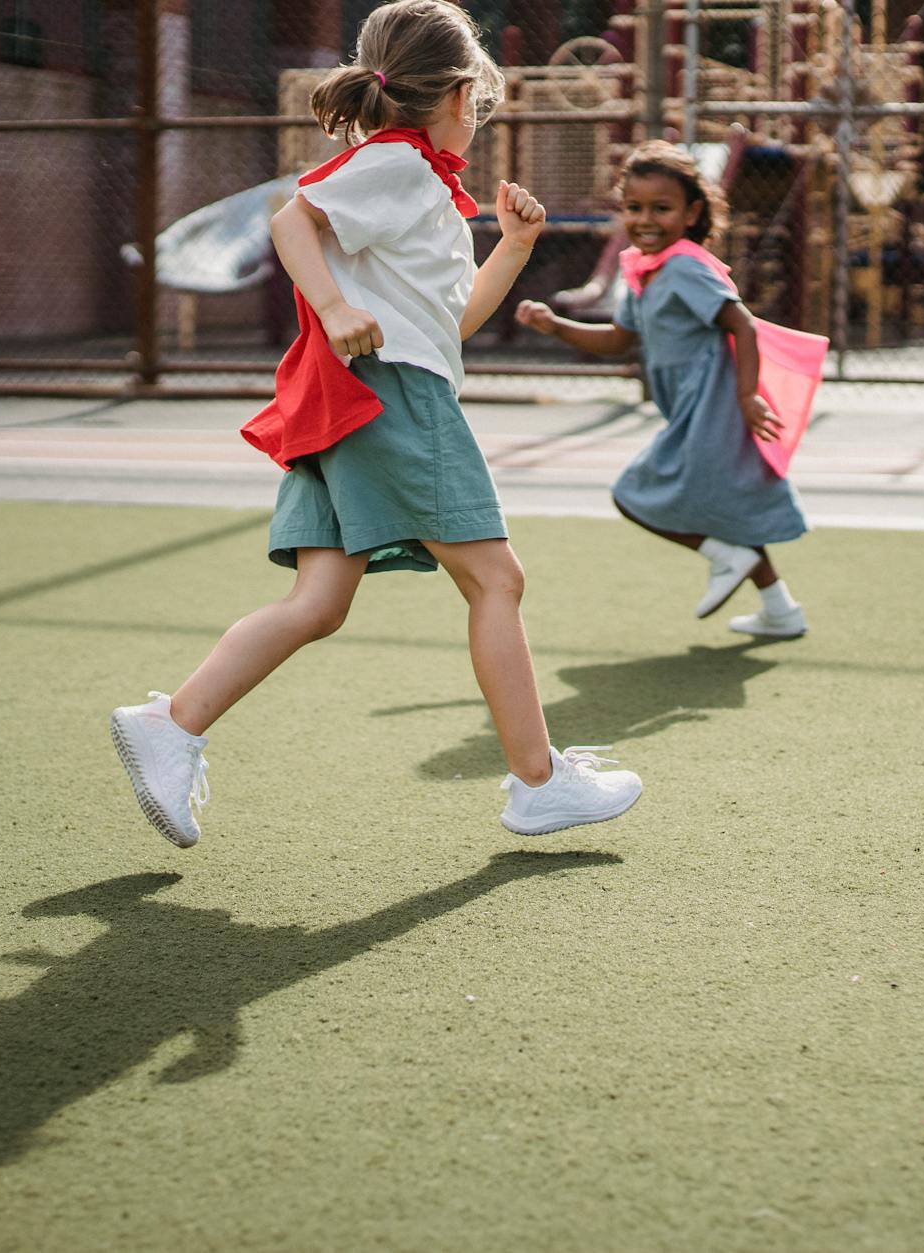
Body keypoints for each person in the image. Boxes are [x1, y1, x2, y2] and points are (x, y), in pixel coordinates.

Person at [109, 0, 642, 850]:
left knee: (319, 601)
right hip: (391, 400)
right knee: (496, 581)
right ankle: (539, 783)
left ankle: (173, 724)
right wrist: (331, 302)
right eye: (482, 100)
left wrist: (509, 247)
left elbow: (447, 325)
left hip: (356, 399)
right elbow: (292, 218)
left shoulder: (417, 181)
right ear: (463, 93)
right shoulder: (397, 164)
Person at [515, 141, 810, 637]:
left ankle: (727, 557)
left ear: (692, 212)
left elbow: (743, 324)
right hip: (692, 408)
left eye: (662, 208)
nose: (645, 219)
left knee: (634, 493)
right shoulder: (642, 271)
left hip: (713, 405)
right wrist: (557, 326)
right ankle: (780, 610)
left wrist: (746, 396)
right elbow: (619, 339)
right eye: (634, 207)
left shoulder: (683, 266)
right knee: (722, 505)